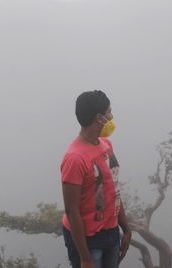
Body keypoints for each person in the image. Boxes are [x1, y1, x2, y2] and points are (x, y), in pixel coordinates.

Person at [61, 90, 131, 268]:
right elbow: (72, 211)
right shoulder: (74, 159)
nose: (112, 116)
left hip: (111, 232)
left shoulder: (106, 145)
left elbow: (113, 189)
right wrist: (84, 258)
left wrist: (125, 228)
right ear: (99, 118)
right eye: (109, 112)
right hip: (87, 239)